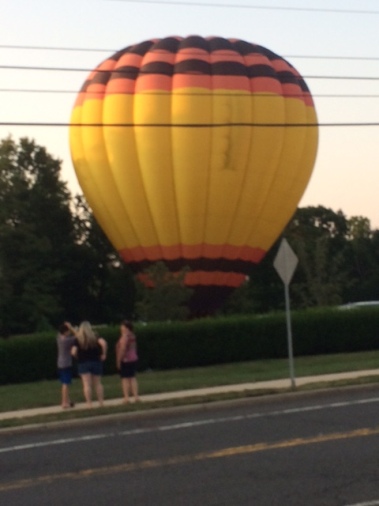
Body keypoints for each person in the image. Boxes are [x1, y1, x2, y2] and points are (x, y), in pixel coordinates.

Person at [66, 321, 107, 408]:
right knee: (98, 383)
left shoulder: (78, 339)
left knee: (86, 384)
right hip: (96, 361)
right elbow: (103, 343)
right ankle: (101, 403)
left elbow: (73, 352)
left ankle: (89, 404)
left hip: (83, 362)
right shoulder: (95, 336)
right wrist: (103, 354)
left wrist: (77, 357)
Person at [116, 320, 140, 404]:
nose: (121, 328)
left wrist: (119, 360)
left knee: (125, 379)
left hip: (126, 359)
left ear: (126, 328)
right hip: (133, 358)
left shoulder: (125, 337)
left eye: (122, 326)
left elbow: (122, 349)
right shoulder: (132, 336)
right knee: (132, 378)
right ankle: (136, 396)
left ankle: (126, 397)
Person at [56, 323, 76, 409]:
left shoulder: (59, 338)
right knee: (66, 383)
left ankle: (67, 400)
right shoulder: (67, 340)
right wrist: (71, 327)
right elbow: (78, 336)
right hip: (66, 363)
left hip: (60, 363)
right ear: (65, 332)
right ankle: (64, 402)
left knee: (64, 382)